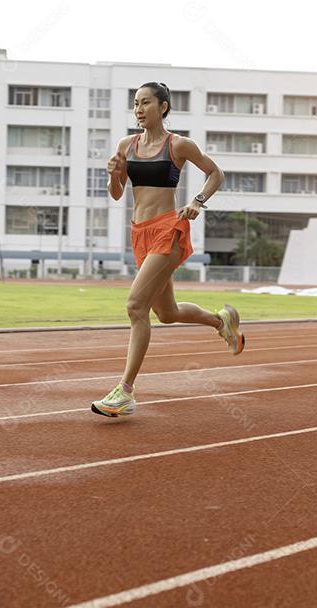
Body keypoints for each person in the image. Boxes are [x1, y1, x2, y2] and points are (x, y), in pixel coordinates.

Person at [91, 82, 245, 418]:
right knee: (167, 313)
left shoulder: (179, 145)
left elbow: (215, 173)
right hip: (140, 233)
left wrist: (197, 202)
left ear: (163, 107)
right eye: (135, 103)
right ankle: (221, 322)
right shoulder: (126, 145)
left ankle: (125, 392)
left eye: (145, 102)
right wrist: (114, 175)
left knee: (135, 307)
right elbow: (117, 194)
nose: (139, 109)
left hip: (169, 230)